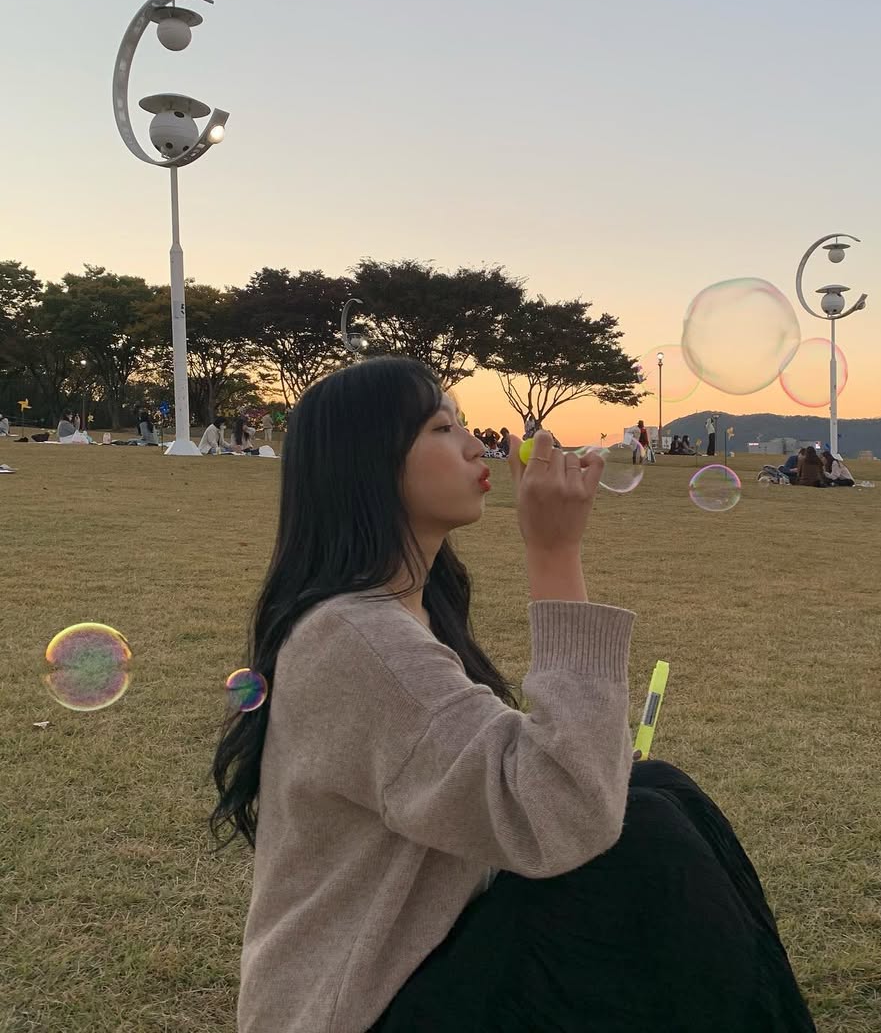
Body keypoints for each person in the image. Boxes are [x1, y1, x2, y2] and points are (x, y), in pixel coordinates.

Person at [211, 358, 815, 1033]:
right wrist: (555, 554)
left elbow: (544, 787)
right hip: (354, 1008)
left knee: (659, 790)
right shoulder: (358, 640)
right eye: (443, 428)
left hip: (418, 960)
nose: (478, 445)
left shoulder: (398, 612)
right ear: (369, 462)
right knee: (647, 843)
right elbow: (564, 810)